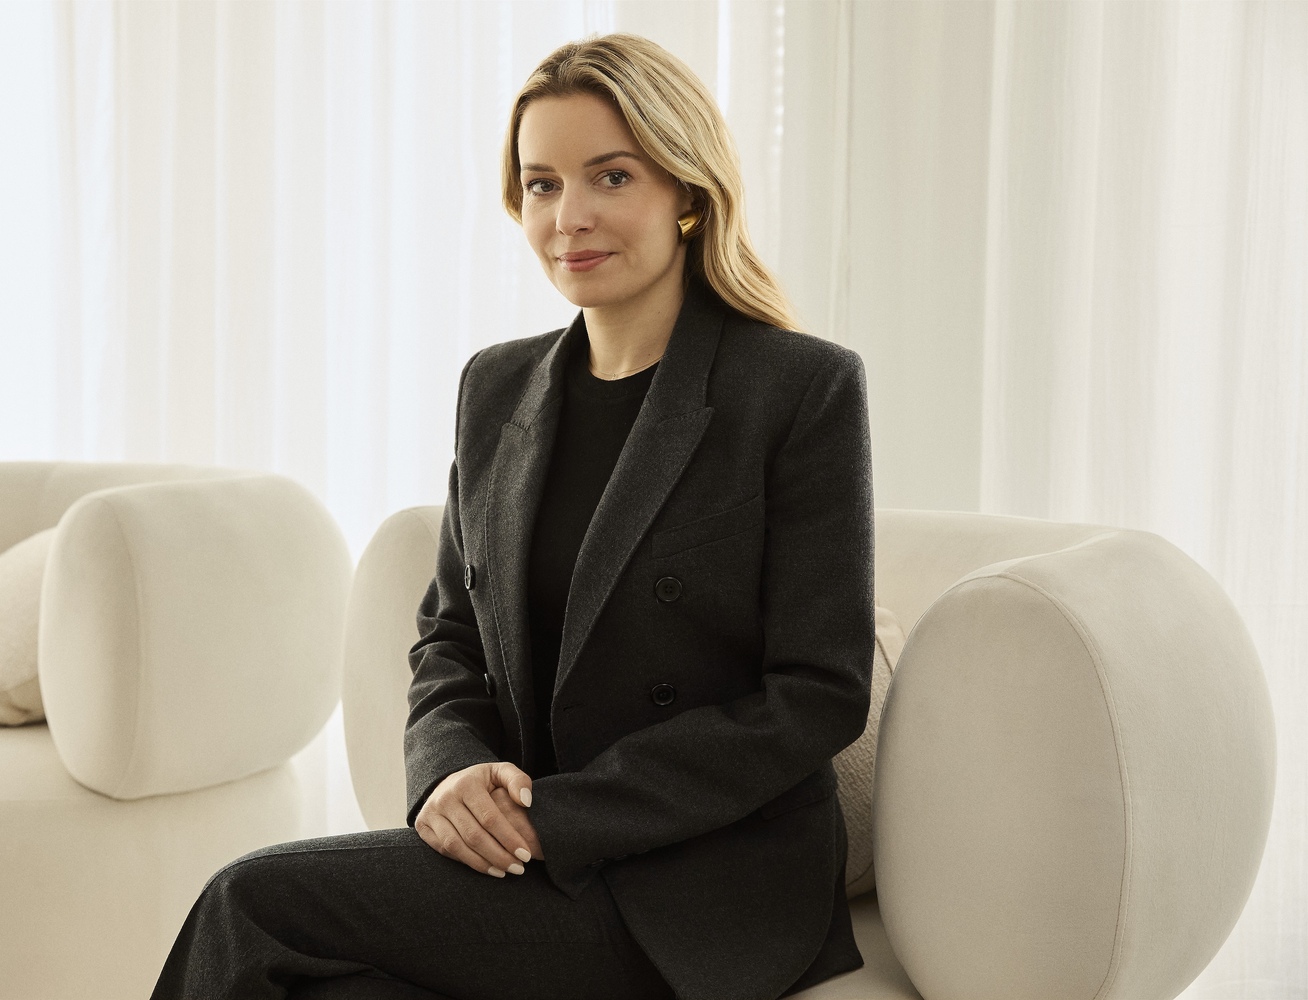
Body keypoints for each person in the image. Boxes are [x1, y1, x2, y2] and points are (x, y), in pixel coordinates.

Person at [150, 31, 874, 1000]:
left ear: (689, 192)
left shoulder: (797, 387)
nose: (569, 217)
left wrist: (562, 815)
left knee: (252, 901)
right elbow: (450, 638)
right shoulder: (497, 388)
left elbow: (818, 691)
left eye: (610, 176)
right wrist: (449, 772)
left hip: (701, 882)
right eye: (541, 184)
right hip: (526, 858)